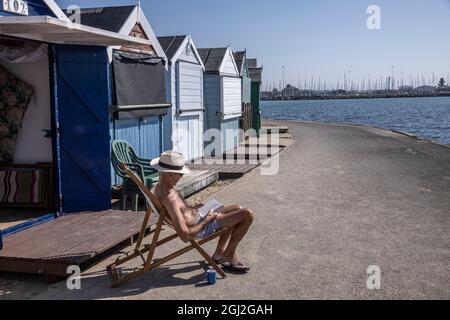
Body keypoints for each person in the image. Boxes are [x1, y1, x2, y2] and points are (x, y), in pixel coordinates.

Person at [150, 151, 255, 273]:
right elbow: (186, 236)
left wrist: (194, 209)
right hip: (201, 226)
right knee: (247, 214)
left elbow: (180, 213)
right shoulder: (169, 198)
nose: (181, 177)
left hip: (199, 216)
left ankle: (219, 254)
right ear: (170, 175)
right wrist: (207, 220)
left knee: (237, 208)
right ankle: (229, 254)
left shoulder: (157, 187)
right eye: (180, 174)